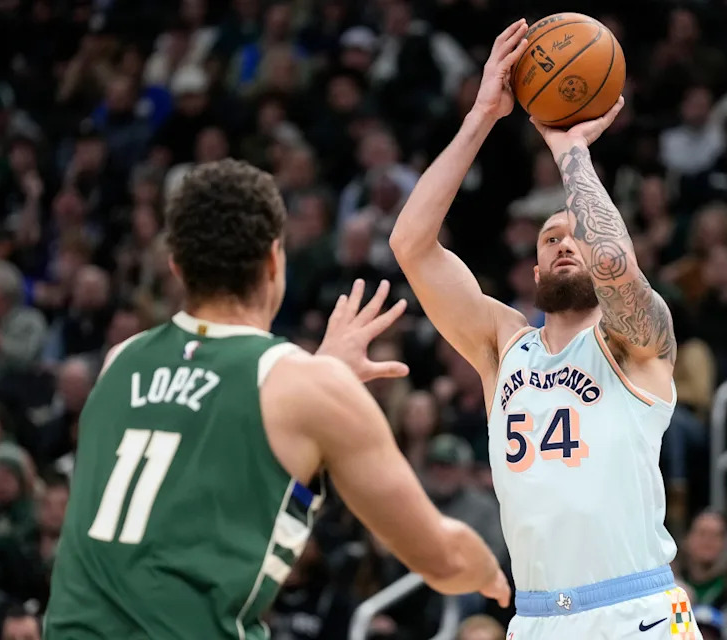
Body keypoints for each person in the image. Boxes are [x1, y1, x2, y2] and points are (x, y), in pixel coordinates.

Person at [43, 159, 508, 639]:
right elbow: (442, 558)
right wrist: (488, 573)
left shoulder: (119, 359)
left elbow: (197, 465)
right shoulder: (306, 389)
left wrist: (317, 378)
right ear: (273, 260)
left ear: (176, 266)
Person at [391, 19, 693, 638]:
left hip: (635, 610)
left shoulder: (637, 343)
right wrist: (482, 115)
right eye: (550, 237)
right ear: (532, 267)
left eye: (577, 234)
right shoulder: (503, 347)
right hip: (534, 618)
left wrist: (569, 151)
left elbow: (612, 263)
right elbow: (411, 244)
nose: (566, 242)